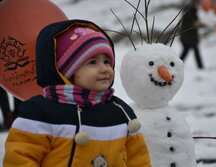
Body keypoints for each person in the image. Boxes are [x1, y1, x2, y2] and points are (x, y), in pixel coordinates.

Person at [4, 19, 151, 167]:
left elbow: (138, 159)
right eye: (92, 62)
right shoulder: (41, 113)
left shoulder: (121, 112)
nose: (105, 69)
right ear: (67, 72)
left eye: (107, 61)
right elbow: (20, 158)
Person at [180, 0, 207, 69]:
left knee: (185, 52)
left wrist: (200, 25)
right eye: (198, 3)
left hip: (191, 36)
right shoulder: (188, 10)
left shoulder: (194, 10)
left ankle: (177, 64)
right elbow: (185, 24)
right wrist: (194, 24)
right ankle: (200, 67)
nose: (199, 5)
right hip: (187, 36)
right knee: (194, 51)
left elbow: (195, 22)